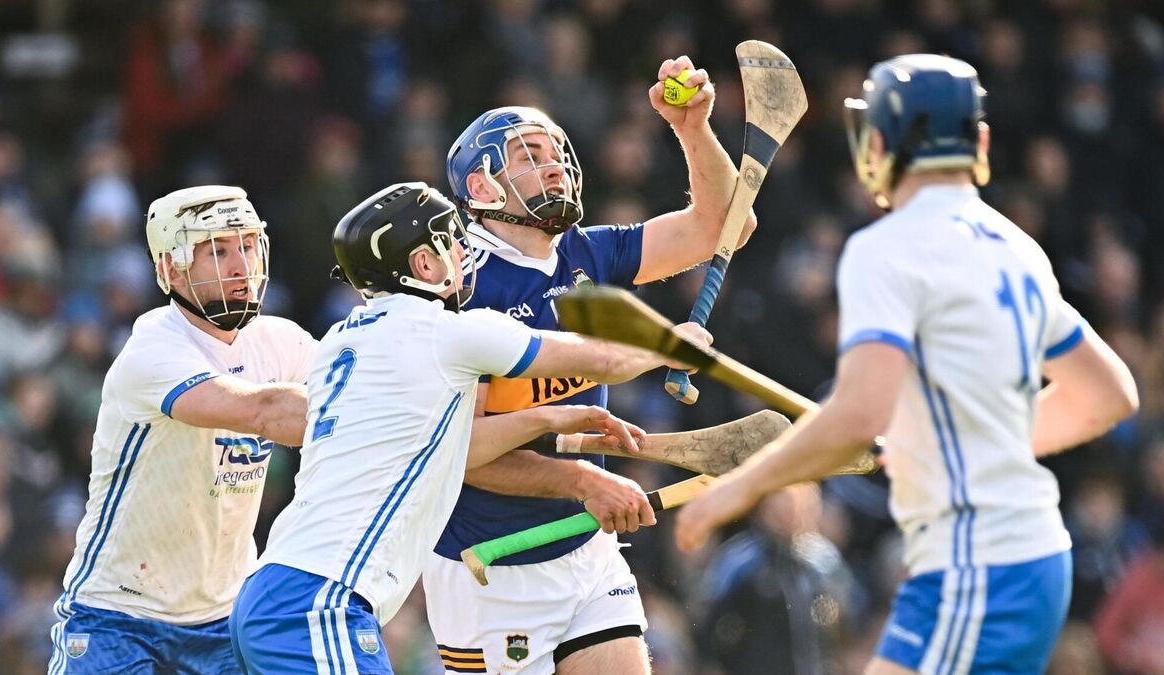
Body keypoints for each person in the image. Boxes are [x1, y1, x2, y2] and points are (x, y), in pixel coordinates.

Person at [675, 54, 1141, 674]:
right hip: (1025, 556)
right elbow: (1109, 394)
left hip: (975, 563)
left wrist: (740, 487)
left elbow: (858, 413)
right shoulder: (1018, 248)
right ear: (979, 143)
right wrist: (956, 447)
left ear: (881, 143)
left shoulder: (885, 248)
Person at [228, 181, 708, 674]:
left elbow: (459, 449)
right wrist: (670, 345)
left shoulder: (340, 339)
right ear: (422, 264)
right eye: (450, 240)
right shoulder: (449, 333)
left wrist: (548, 418)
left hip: (277, 587)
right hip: (321, 599)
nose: (464, 252)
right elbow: (601, 359)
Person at [424, 55, 757, 675]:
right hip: (490, 563)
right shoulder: (459, 287)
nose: (554, 164)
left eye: (556, 153)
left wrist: (692, 128)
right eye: (529, 156)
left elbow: (725, 227)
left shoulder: (587, 253)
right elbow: (459, 452)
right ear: (481, 188)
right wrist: (581, 481)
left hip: (586, 545)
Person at [48, 185, 318, 674]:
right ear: (172, 269)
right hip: (118, 616)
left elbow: (360, 393)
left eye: (248, 245)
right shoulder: (152, 351)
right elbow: (264, 412)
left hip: (226, 617)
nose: (242, 266)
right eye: (218, 251)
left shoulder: (282, 342)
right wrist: (361, 414)